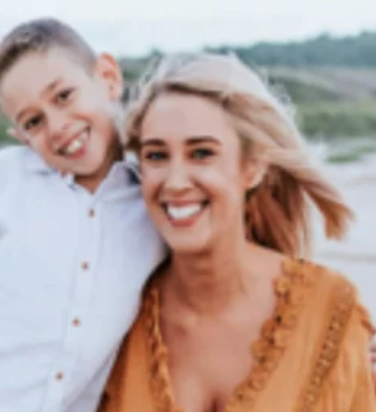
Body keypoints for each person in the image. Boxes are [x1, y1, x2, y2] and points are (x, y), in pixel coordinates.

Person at [0, 18, 165, 412]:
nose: (58, 126)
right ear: (21, 136)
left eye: (63, 96)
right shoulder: (4, 179)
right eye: (33, 121)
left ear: (108, 77)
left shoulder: (154, 199)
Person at [99, 53, 376, 412]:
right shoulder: (112, 321)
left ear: (253, 167)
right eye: (156, 156)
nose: (175, 181)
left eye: (201, 153)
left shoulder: (330, 315)